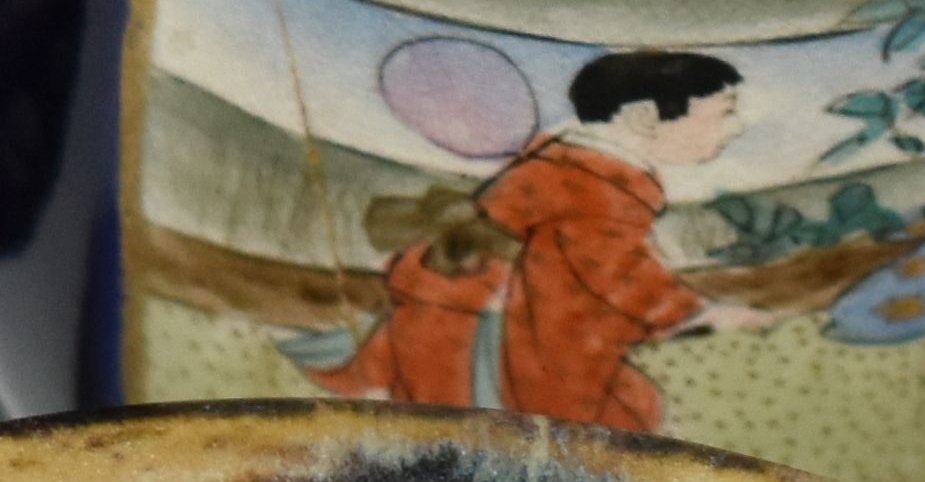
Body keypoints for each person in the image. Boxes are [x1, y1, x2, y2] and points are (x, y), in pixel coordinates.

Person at [308, 51, 746, 429]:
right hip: (477, 327)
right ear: (644, 116)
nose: (735, 127)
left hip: (448, 313)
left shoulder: (570, 162)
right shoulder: (592, 183)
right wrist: (692, 313)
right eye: (724, 111)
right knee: (610, 421)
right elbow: (611, 269)